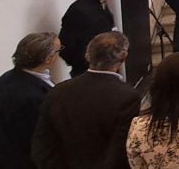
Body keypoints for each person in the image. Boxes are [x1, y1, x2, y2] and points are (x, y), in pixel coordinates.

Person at [32, 32, 140, 169]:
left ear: (87, 56)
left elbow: (42, 146)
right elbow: (120, 151)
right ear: (124, 57)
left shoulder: (57, 92)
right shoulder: (128, 97)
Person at [0, 32, 61, 169]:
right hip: (27, 162)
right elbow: (41, 138)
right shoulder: (32, 96)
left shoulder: (6, 78)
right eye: (59, 50)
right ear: (48, 58)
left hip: (6, 157)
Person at [59, 0, 115, 77]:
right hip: (88, 72)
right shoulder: (78, 11)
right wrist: (90, 64)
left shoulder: (101, 2)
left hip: (106, 67)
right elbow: (66, 46)